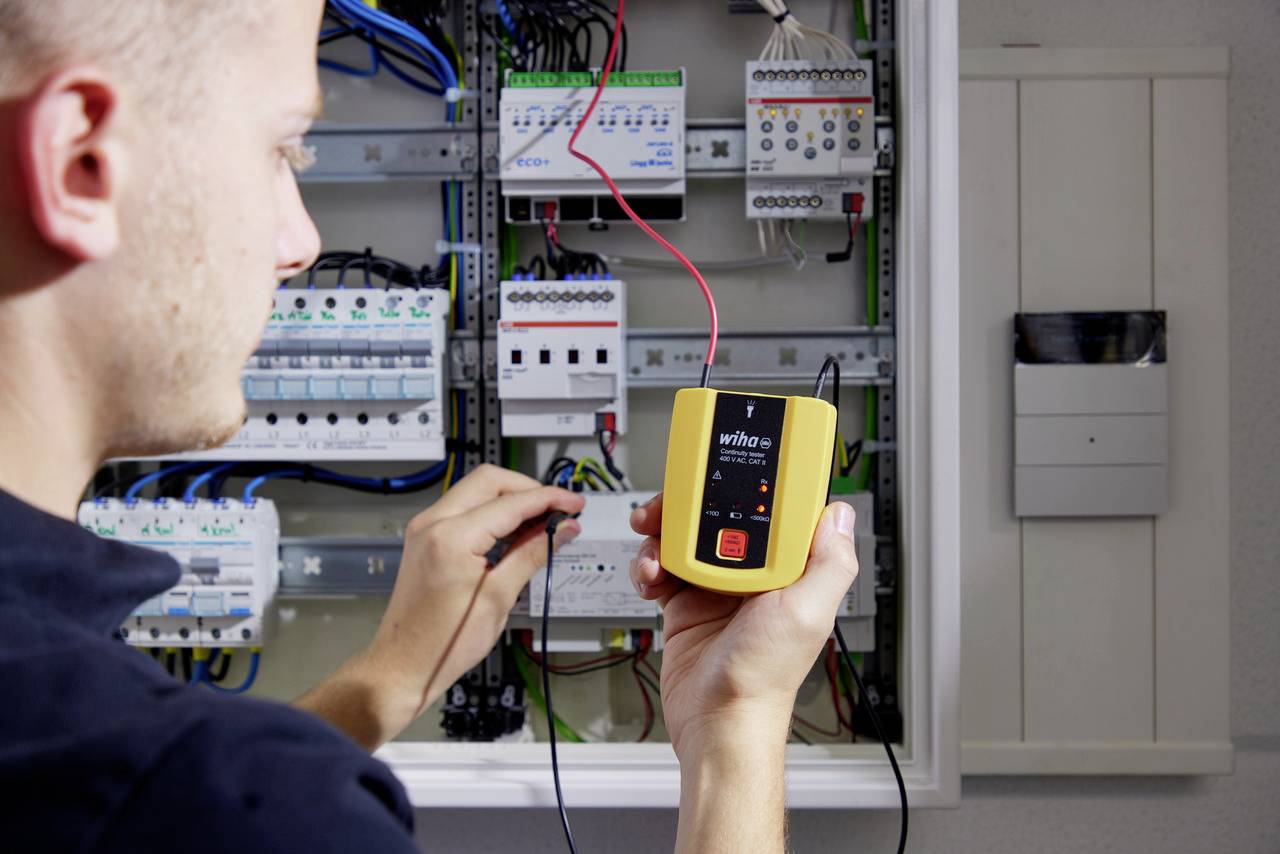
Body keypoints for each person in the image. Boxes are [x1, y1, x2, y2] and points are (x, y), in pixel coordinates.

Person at [0, 1, 860, 851]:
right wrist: (736, 723)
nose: (303, 242)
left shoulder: (86, 739)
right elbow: (207, 807)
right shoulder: (218, 801)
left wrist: (393, 675)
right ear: (80, 161)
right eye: (283, 149)